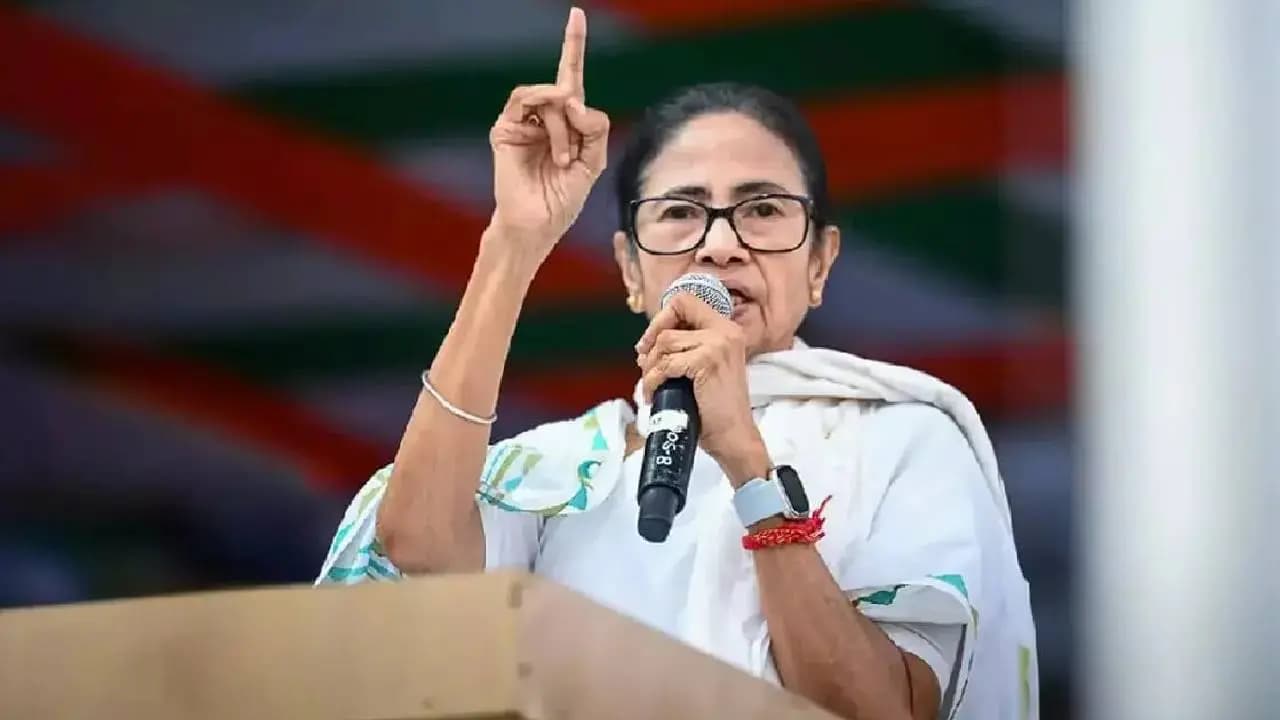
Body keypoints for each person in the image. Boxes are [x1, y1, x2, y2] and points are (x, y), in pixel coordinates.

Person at [318, 8, 1038, 720]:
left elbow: (886, 710)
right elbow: (417, 544)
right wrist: (514, 239)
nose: (720, 246)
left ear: (820, 263)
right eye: (680, 213)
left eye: (763, 210)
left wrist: (748, 466)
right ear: (631, 271)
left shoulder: (901, 438)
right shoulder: (570, 471)